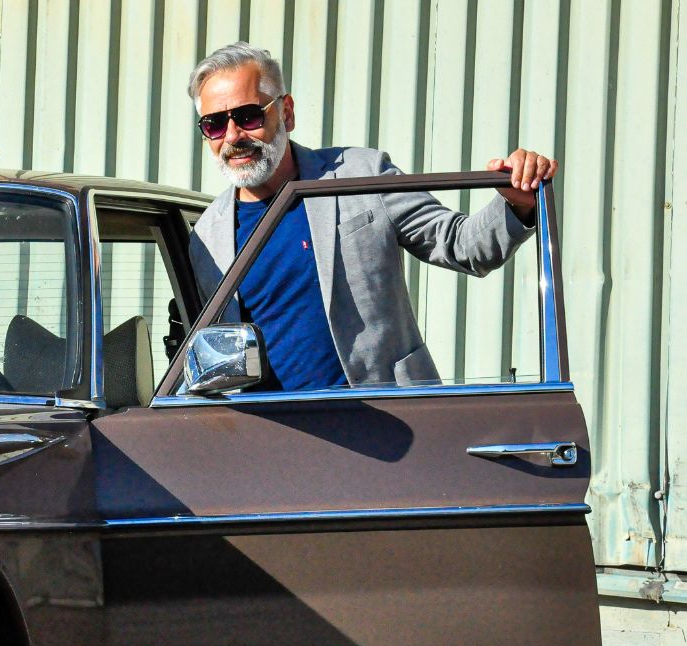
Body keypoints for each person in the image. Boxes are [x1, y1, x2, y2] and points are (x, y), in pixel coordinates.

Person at [187, 42, 558, 391]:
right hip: (274, 443)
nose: (233, 135)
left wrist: (516, 202)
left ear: (286, 112)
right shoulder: (207, 237)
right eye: (214, 124)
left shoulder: (360, 175)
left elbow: (462, 245)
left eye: (249, 116)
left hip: (386, 428)